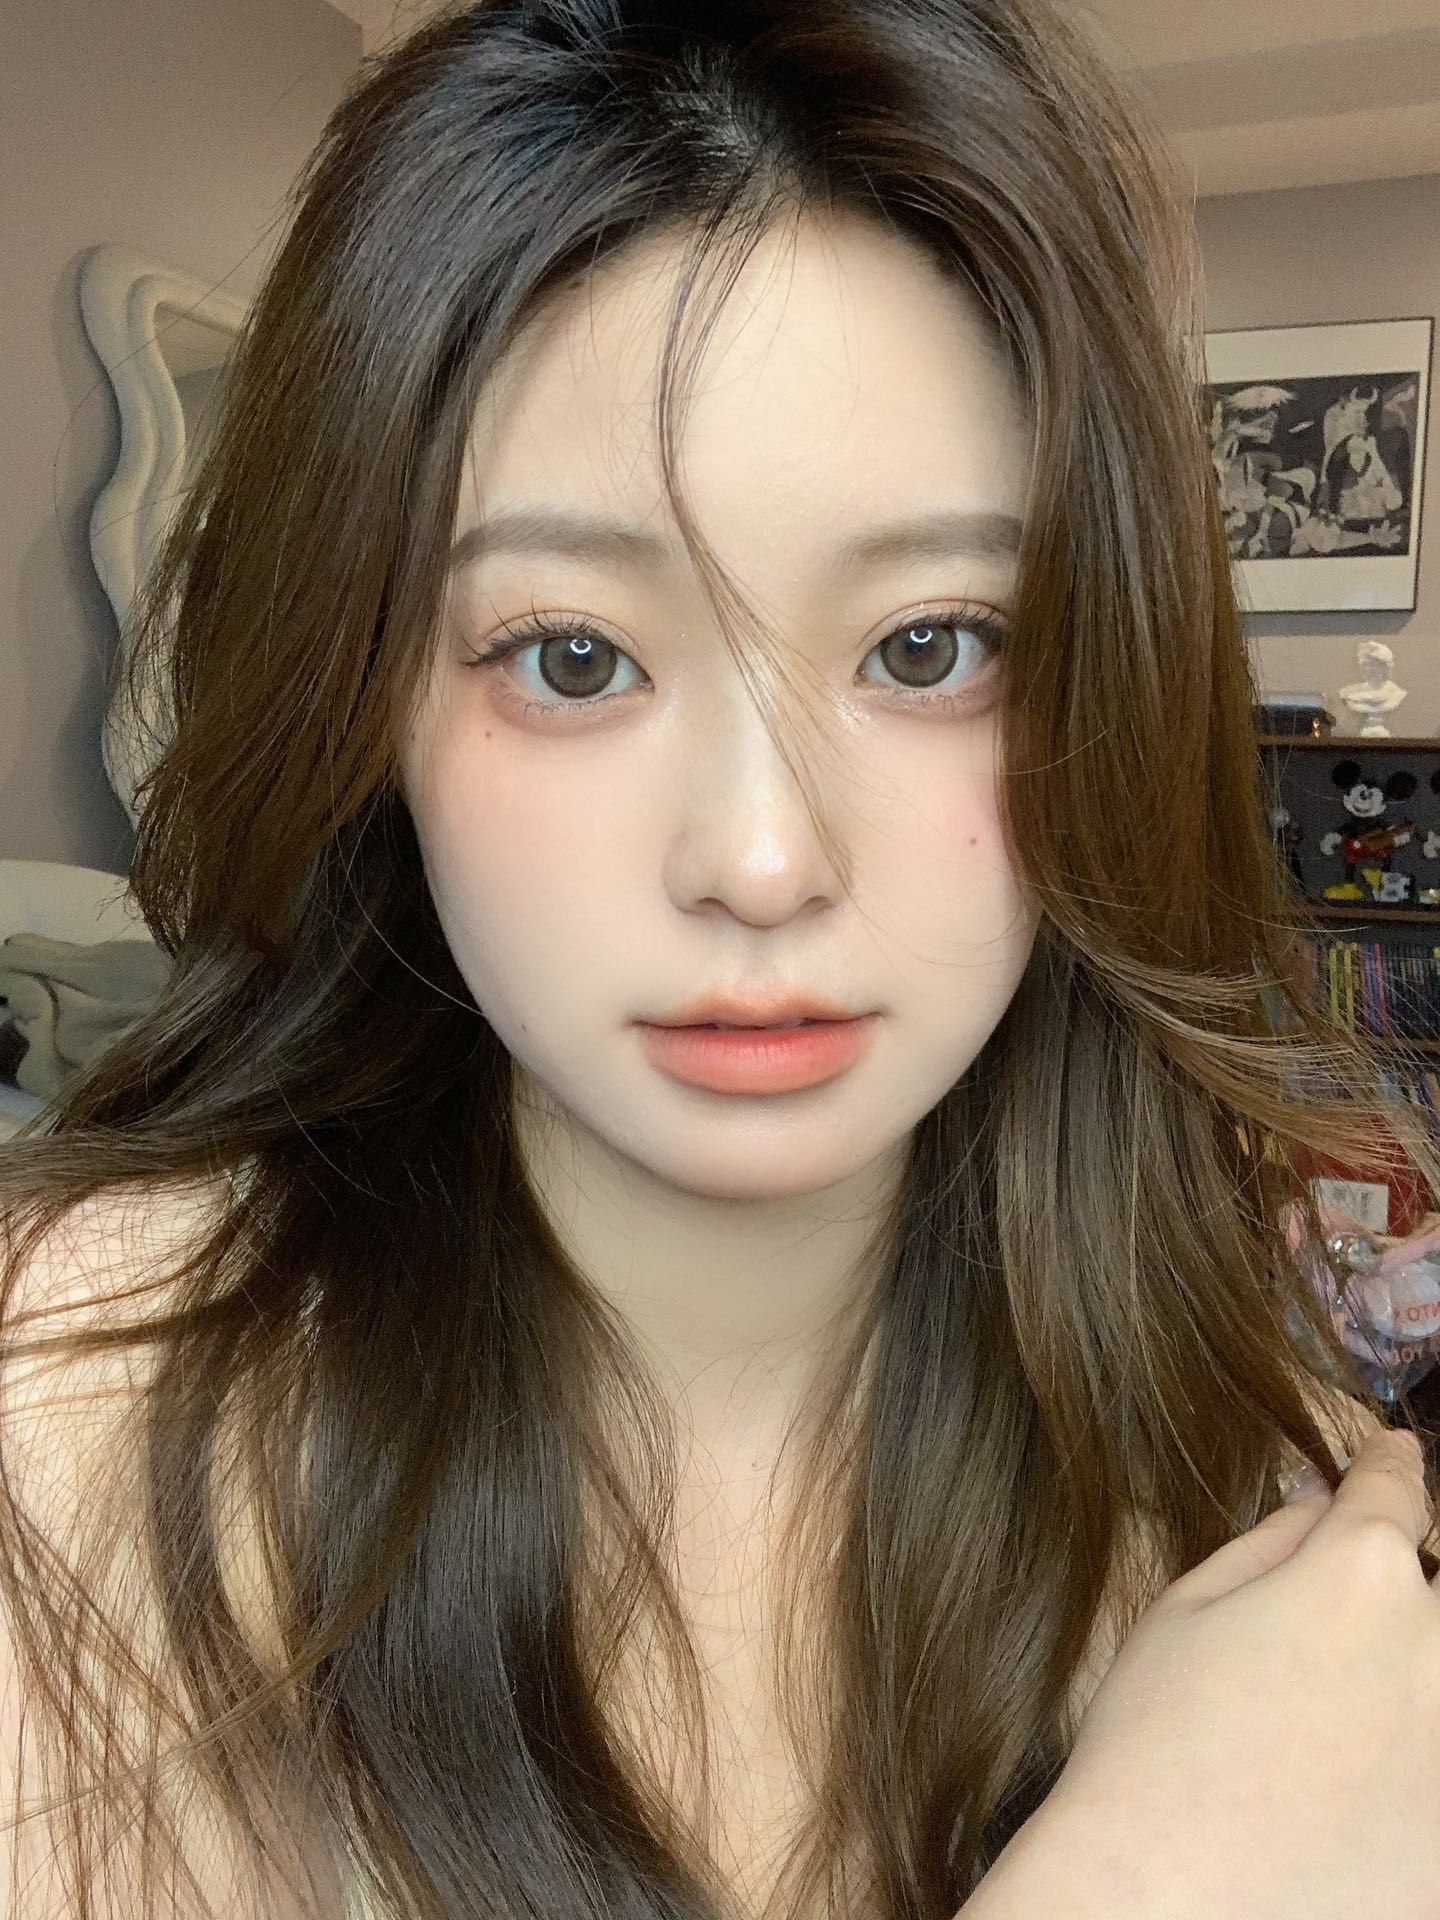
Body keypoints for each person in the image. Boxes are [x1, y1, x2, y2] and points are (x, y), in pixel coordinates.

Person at [1, 1, 1438, 1916]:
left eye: (930, 647)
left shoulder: (1248, 1464)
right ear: (368, 702)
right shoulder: (74, 1420)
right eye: (573, 657)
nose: (763, 862)